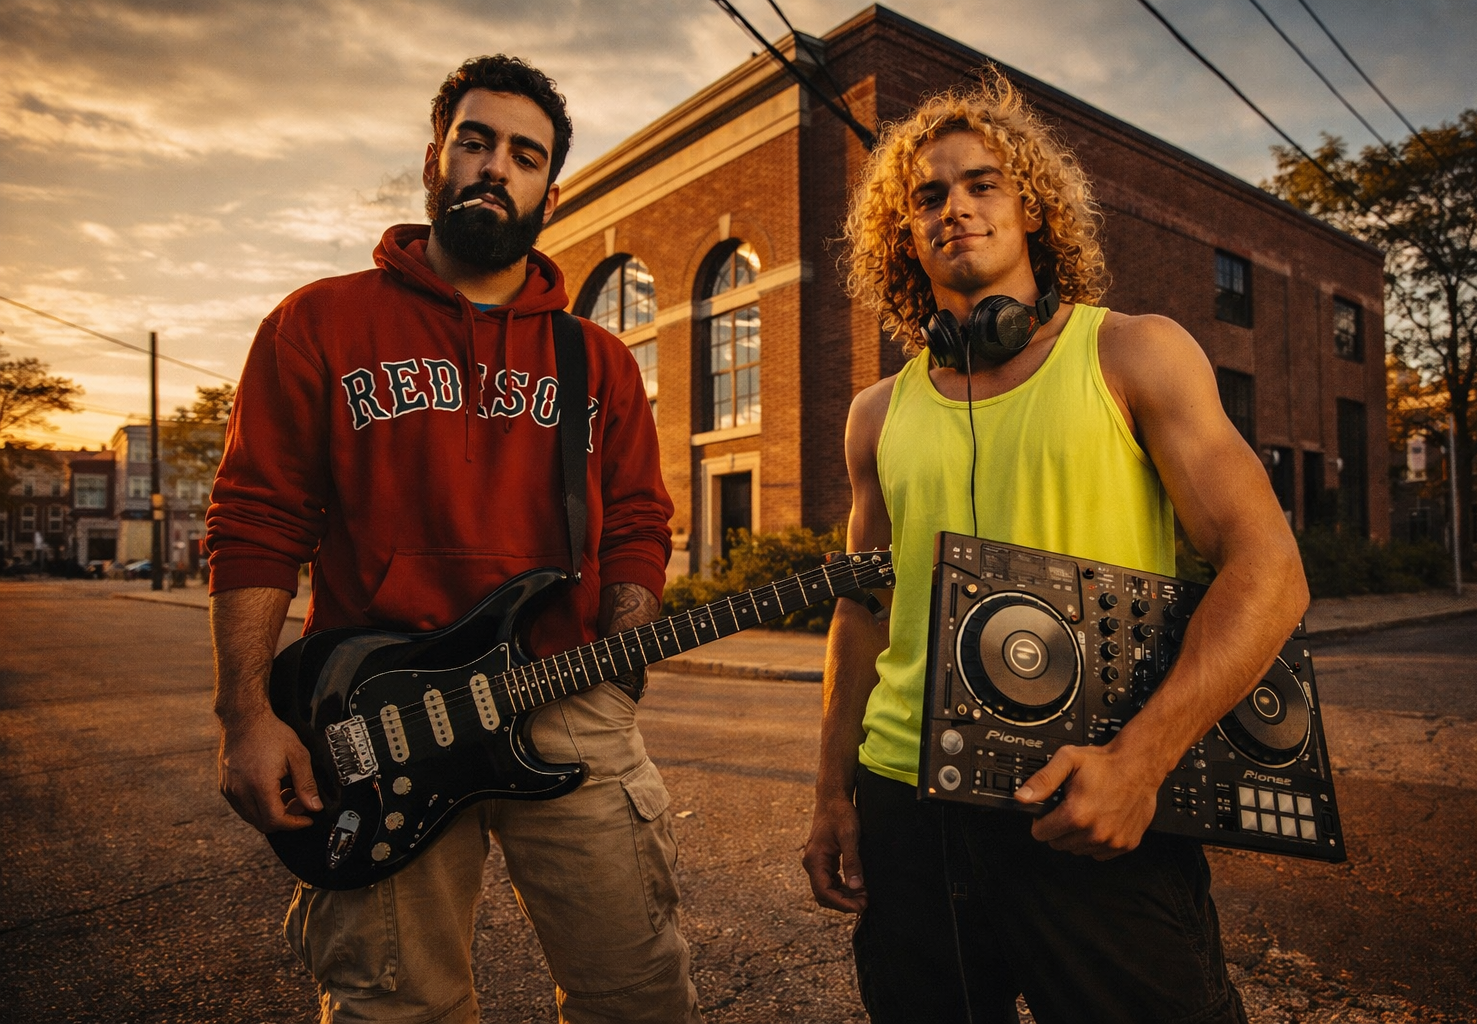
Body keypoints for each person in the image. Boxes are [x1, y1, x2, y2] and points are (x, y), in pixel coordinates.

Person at [801, 72, 1310, 1024]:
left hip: (1087, 800)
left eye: (981, 183)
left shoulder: (1133, 353)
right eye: (928, 197)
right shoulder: (875, 414)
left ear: (1031, 205)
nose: (955, 206)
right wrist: (834, 795)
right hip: (906, 814)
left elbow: (1269, 569)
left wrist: (1142, 763)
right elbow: (861, 611)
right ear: (904, 234)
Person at [207, 56, 701, 1024]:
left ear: (550, 190)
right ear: (436, 156)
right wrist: (246, 713)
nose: (495, 166)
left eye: (525, 154)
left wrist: (625, 635)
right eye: (475, 141)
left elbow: (641, 517)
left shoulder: (593, 356)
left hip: (562, 700)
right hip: (375, 714)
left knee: (637, 994)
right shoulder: (319, 321)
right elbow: (257, 517)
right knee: (400, 1007)